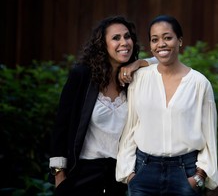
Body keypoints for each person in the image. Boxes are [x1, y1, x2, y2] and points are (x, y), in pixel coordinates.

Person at [49, 15, 156, 196]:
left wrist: (138, 64)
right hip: (82, 175)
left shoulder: (135, 79)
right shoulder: (82, 76)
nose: (124, 42)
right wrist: (60, 178)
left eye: (127, 36)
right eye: (116, 38)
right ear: (102, 45)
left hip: (119, 176)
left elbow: (166, 61)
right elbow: (61, 127)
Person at [116, 15, 218, 196]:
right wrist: (130, 174)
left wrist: (198, 177)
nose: (161, 44)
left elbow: (209, 135)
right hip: (143, 171)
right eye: (155, 40)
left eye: (167, 37)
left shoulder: (199, 83)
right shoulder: (140, 79)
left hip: (185, 172)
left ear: (179, 41)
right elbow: (130, 128)